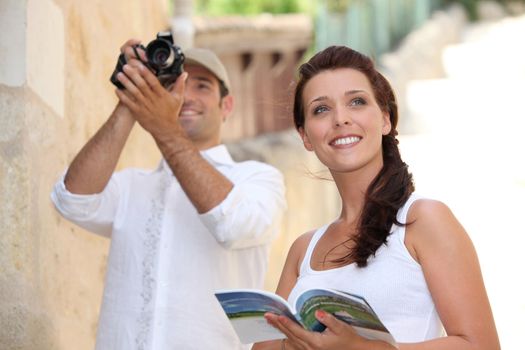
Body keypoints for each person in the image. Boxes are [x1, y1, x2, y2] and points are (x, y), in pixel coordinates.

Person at [253, 46, 500, 350]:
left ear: (385, 119)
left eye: (356, 102)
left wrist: (359, 348)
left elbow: (481, 345)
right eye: (321, 109)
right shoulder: (303, 250)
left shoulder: (424, 220)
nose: (341, 119)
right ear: (305, 136)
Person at [51, 38, 286, 350]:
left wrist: (163, 127)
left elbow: (234, 224)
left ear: (226, 106)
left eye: (201, 86)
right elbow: (71, 201)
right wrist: (131, 100)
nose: (185, 96)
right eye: (173, 84)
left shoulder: (257, 179)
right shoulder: (131, 185)